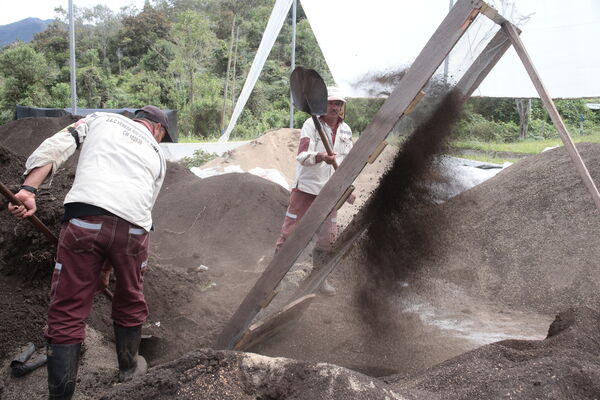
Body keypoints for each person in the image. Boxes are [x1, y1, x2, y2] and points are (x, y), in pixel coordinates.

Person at [8, 105, 172, 399]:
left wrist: (28, 189)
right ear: (158, 129)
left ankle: (61, 397)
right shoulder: (158, 155)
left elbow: (58, 145)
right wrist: (108, 268)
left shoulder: (101, 120)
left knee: (67, 311)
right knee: (131, 296)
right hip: (134, 230)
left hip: (85, 219)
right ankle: (129, 368)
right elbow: (139, 209)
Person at [276, 87, 353, 296]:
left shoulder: (346, 131)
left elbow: (346, 163)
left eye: (338, 104)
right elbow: (302, 155)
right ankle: (275, 279)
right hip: (306, 188)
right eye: (331, 103)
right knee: (290, 233)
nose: (335, 107)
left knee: (328, 238)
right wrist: (321, 157)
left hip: (330, 192)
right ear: (322, 104)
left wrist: (346, 186)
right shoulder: (311, 124)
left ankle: (320, 280)